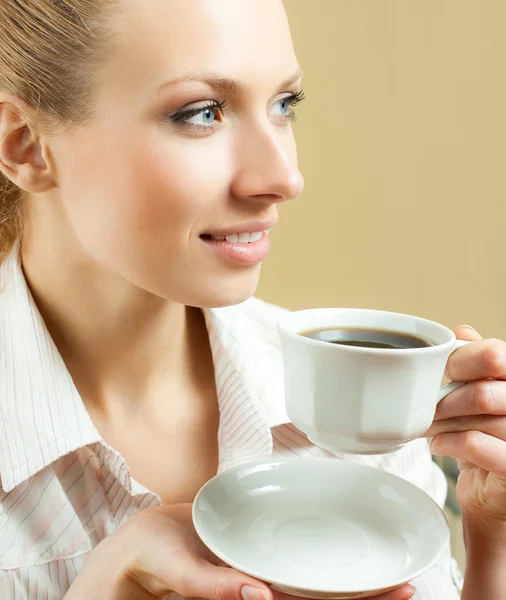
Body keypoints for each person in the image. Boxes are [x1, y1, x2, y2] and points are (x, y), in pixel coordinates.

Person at [0, 1, 505, 598]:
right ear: (26, 146)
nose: (284, 178)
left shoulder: (359, 413)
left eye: (284, 105)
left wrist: (491, 542)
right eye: (201, 113)